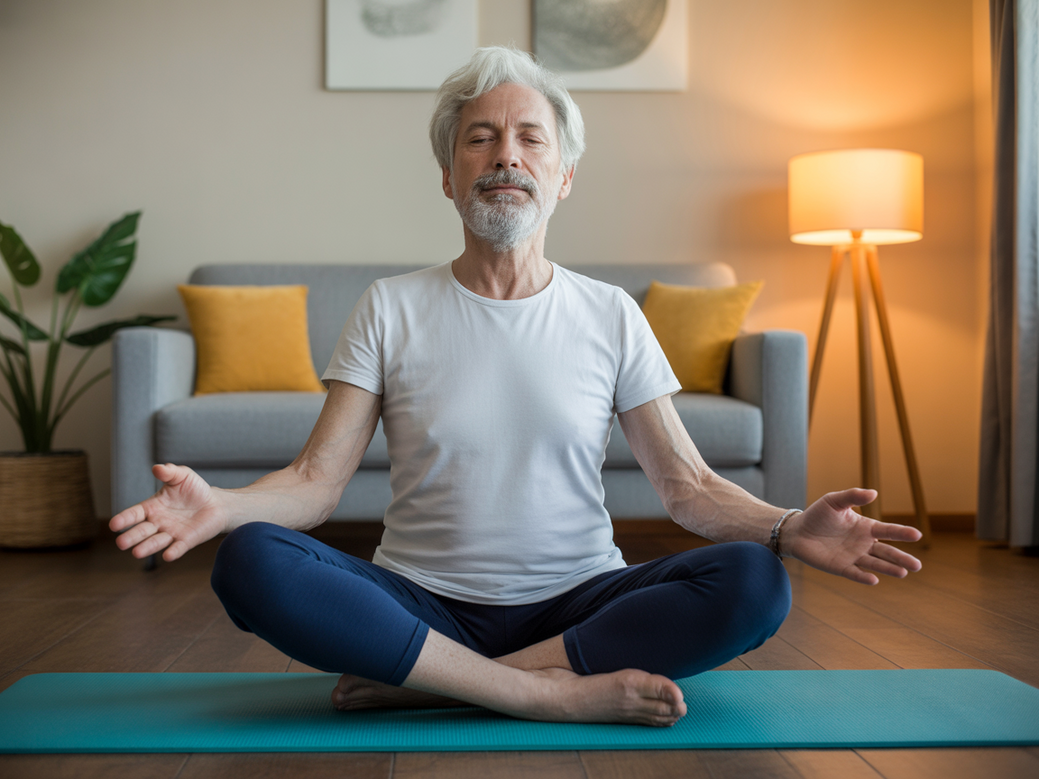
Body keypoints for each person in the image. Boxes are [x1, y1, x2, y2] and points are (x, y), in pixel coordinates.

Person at [109, 47, 923, 728]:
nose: (506, 155)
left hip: (580, 604)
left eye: (530, 138)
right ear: (447, 174)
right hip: (418, 600)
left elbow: (689, 489)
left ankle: (432, 681)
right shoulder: (390, 305)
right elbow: (315, 485)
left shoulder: (608, 313)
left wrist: (786, 526)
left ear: (562, 176)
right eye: (481, 138)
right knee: (249, 560)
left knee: (755, 580)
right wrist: (224, 506)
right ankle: (535, 691)